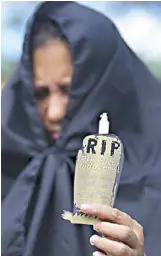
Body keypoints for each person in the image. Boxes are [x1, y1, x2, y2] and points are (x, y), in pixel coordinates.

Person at [1, 2, 161, 256]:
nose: (54, 112)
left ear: (105, 86)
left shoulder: (152, 176)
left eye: (69, 90)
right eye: (41, 93)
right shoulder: (9, 166)